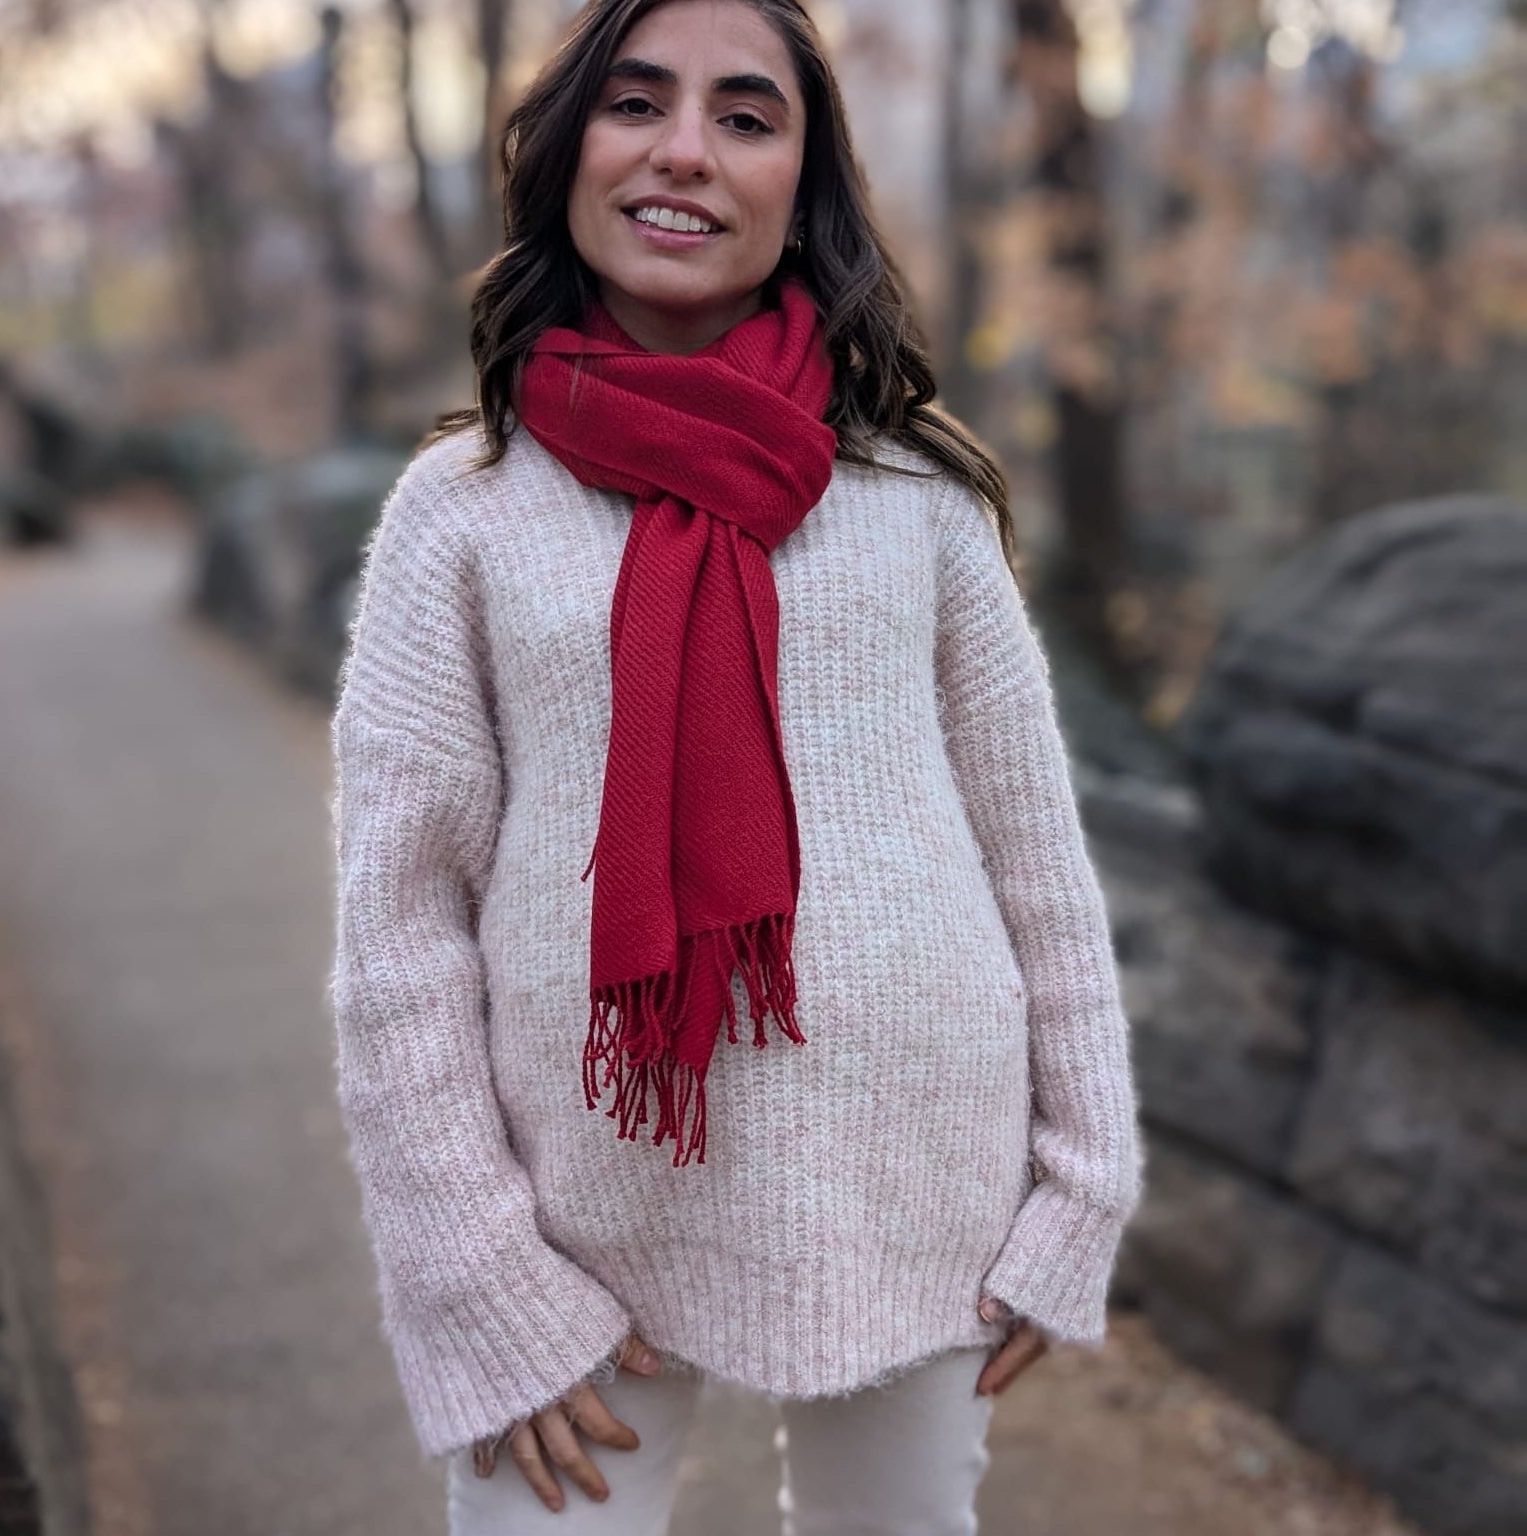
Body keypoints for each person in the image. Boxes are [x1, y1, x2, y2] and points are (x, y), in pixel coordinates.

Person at [327, 0, 1146, 1531]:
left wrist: (1081, 1187)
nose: (686, 151)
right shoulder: (468, 513)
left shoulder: (919, 501)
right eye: (638, 103)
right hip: (574, 1215)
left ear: (801, 184)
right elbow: (398, 936)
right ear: (573, 149)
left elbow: (1035, 857)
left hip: (924, 1194)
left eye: (747, 116)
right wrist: (481, 1275)